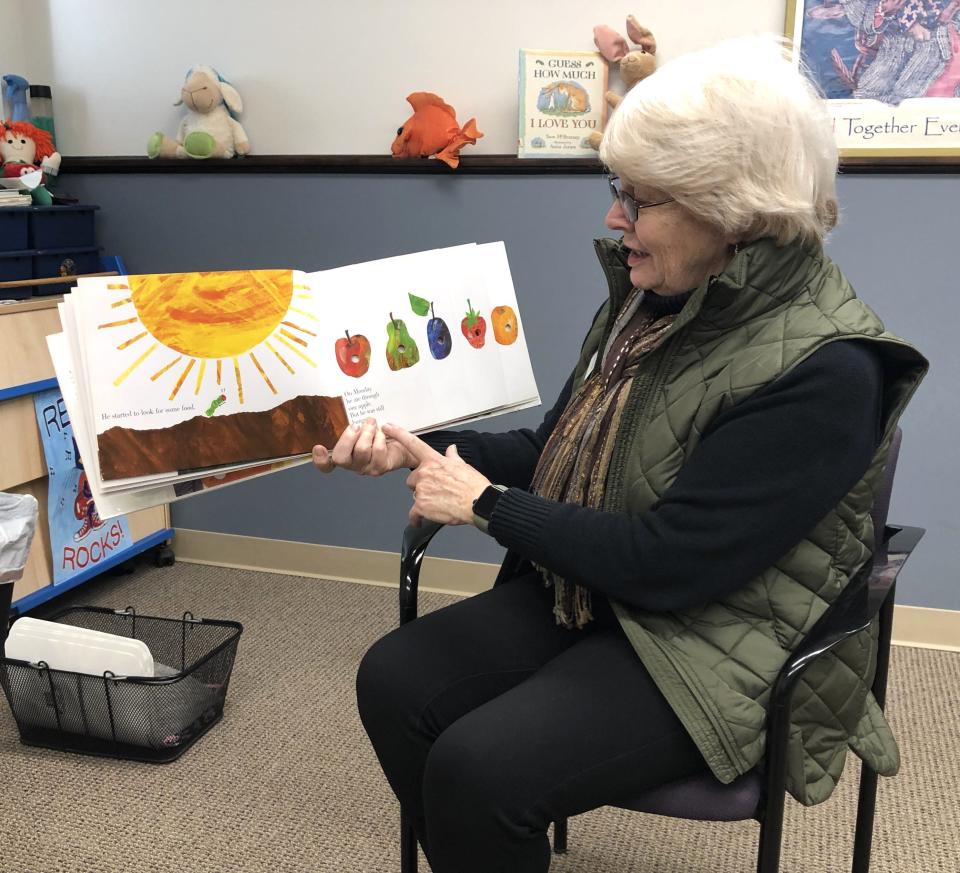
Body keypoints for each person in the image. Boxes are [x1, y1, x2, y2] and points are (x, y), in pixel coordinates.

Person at [312, 35, 927, 873]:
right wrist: (417, 448)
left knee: (480, 769)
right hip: (604, 593)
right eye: (618, 189)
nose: (614, 218)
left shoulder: (828, 369)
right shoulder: (659, 298)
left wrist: (487, 504)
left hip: (718, 638)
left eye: (640, 198)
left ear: (733, 209)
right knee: (393, 677)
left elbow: (672, 564)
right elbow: (551, 450)